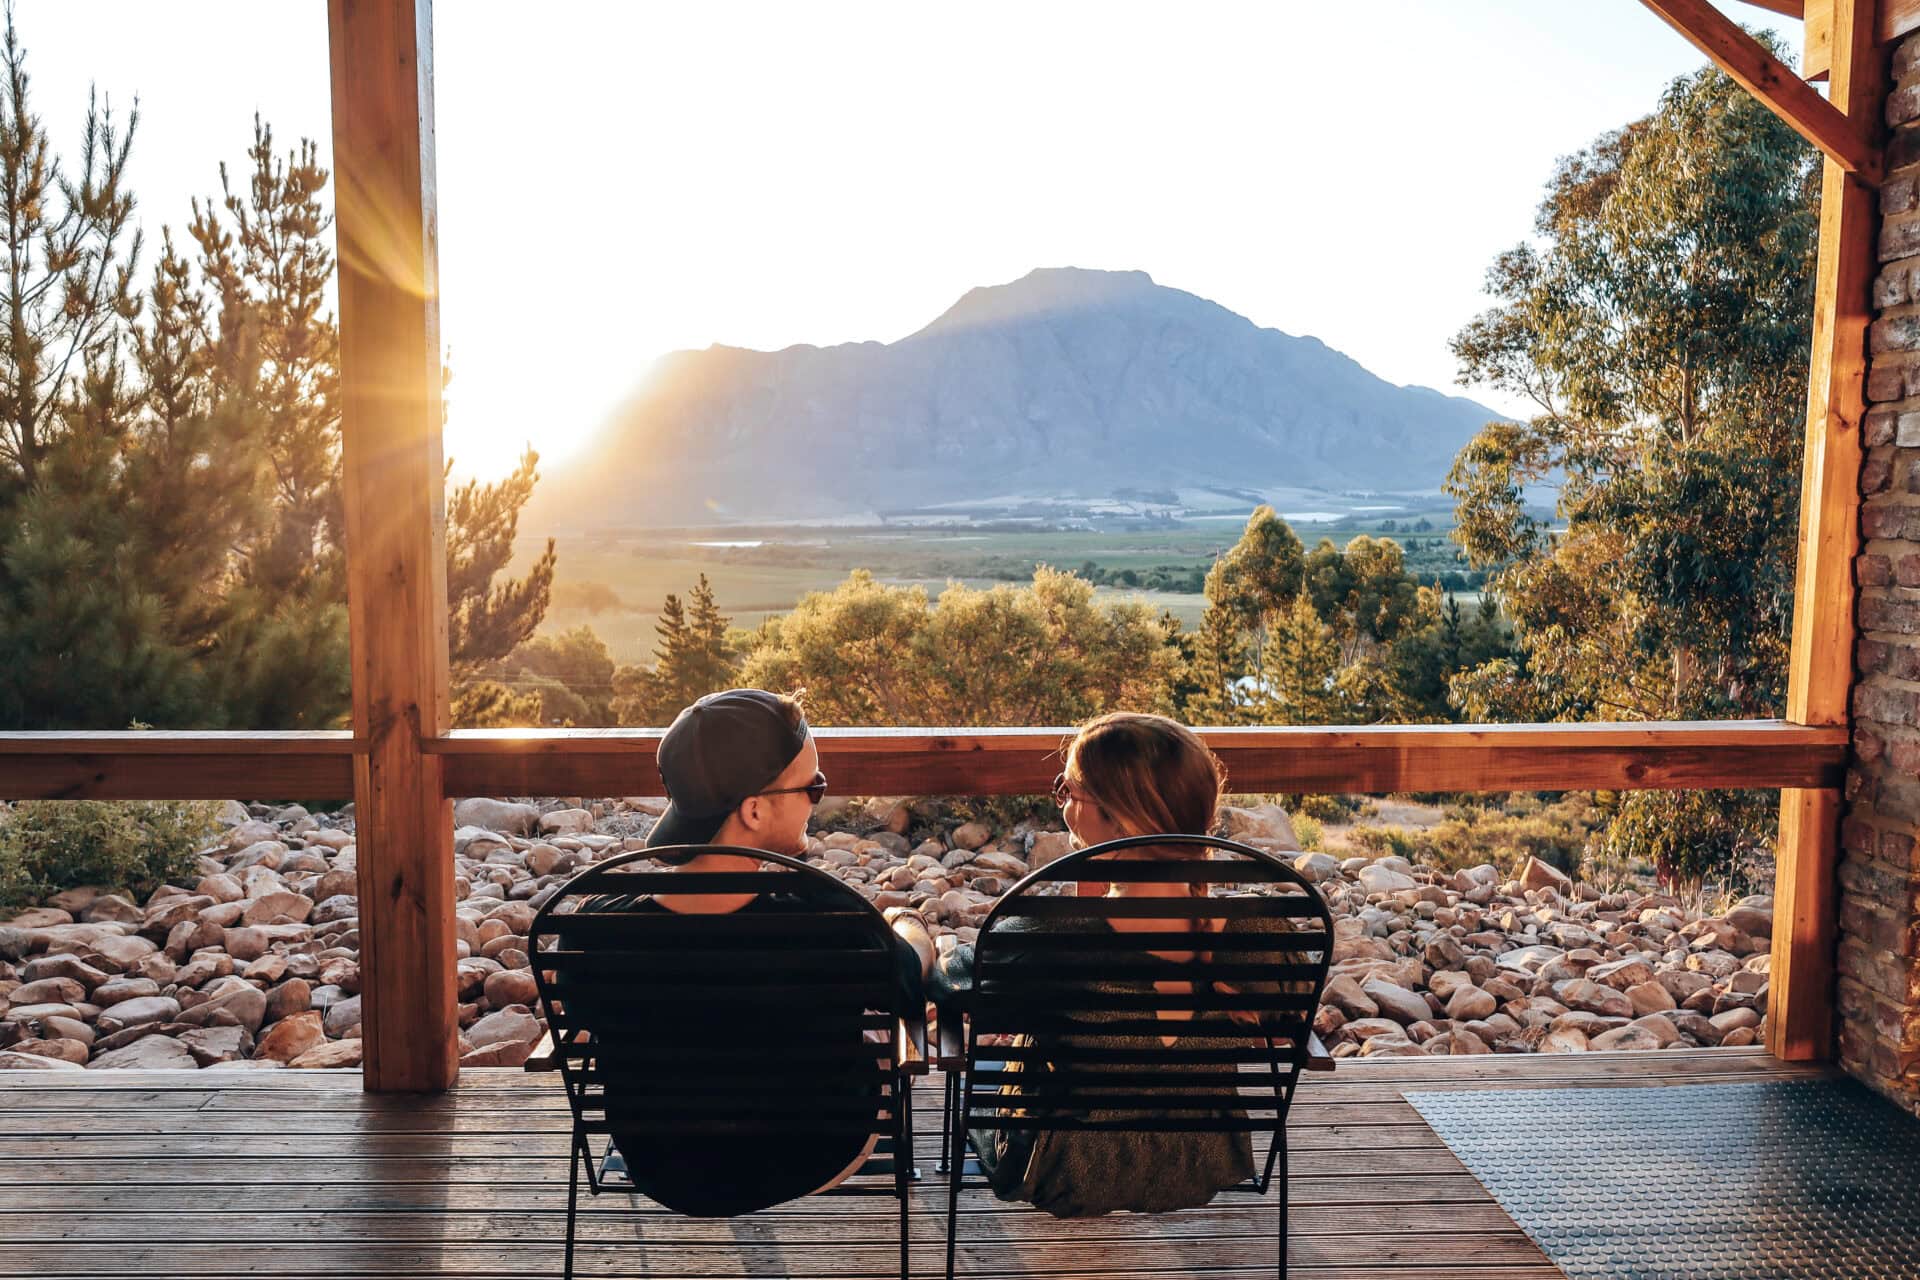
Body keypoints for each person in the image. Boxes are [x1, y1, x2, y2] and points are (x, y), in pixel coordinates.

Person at [566, 688, 933, 1217]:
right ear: (755, 810)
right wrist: (909, 925)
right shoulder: (828, 921)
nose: (818, 798)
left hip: (662, 1166)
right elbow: (906, 985)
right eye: (813, 786)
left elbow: (585, 1020)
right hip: (813, 1154)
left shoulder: (595, 929)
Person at [931, 711, 1296, 1218]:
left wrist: (913, 931)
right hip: (1199, 1164)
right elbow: (1286, 1024)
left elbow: (951, 986)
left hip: (1063, 1169)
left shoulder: (1051, 937)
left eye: (1068, 791)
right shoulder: (1266, 930)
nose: (1062, 805)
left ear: (1116, 818)